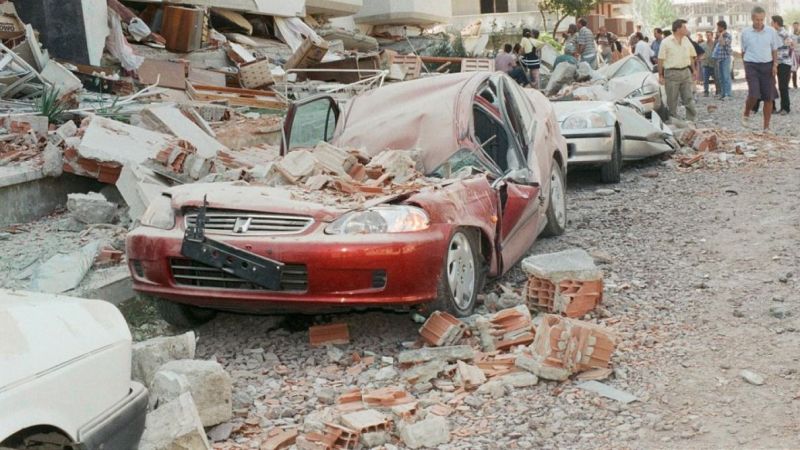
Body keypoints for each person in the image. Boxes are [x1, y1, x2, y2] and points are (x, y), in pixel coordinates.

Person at [741, 6, 782, 131]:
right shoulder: (745, 33)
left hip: (767, 66)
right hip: (751, 65)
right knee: (754, 94)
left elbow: (774, 49)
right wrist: (746, 68)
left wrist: (775, 65)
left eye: (761, 20)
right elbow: (743, 51)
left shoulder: (771, 32)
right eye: (757, 20)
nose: (759, 22)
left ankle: (766, 127)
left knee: (768, 97)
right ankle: (746, 113)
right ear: (752, 19)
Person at [658, 19, 697, 122]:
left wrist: (694, 70)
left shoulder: (686, 40)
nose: (686, 29)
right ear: (678, 29)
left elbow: (692, 56)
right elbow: (660, 59)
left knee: (688, 98)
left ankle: (691, 120)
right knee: (672, 100)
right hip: (671, 74)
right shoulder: (666, 42)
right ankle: (673, 121)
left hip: (685, 72)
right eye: (684, 27)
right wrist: (660, 75)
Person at [773, 15, 793, 114]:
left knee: (783, 86)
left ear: (776, 23)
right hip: (777, 63)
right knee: (775, 85)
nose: (771, 24)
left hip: (784, 63)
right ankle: (778, 108)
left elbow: (790, 44)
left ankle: (785, 108)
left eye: (772, 22)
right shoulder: (775, 33)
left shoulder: (784, 33)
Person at [712, 20, 733, 99]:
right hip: (719, 58)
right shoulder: (718, 36)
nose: (717, 28)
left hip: (725, 58)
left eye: (718, 27)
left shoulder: (727, 36)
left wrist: (721, 35)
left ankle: (728, 94)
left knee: (726, 76)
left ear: (722, 27)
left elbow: (722, 43)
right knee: (720, 77)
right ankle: (723, 93)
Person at [700, 31, 718, 96]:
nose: (708, 37)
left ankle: (718, 91)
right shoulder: (702, 45)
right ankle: (706, 92)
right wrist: (701, 57)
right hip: (705, 64)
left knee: (716, 78)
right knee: (705, 79)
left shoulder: (715, 44)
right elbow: (698, 53)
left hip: (714, 64)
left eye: (709, 35)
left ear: (712, 36)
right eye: (706, 35)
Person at [793, 22, 800, 88]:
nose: (796, 27)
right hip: (794, 54)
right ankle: (795, 84)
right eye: (794, 26)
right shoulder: (791, 35)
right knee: (794, 69)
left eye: (797, 26)